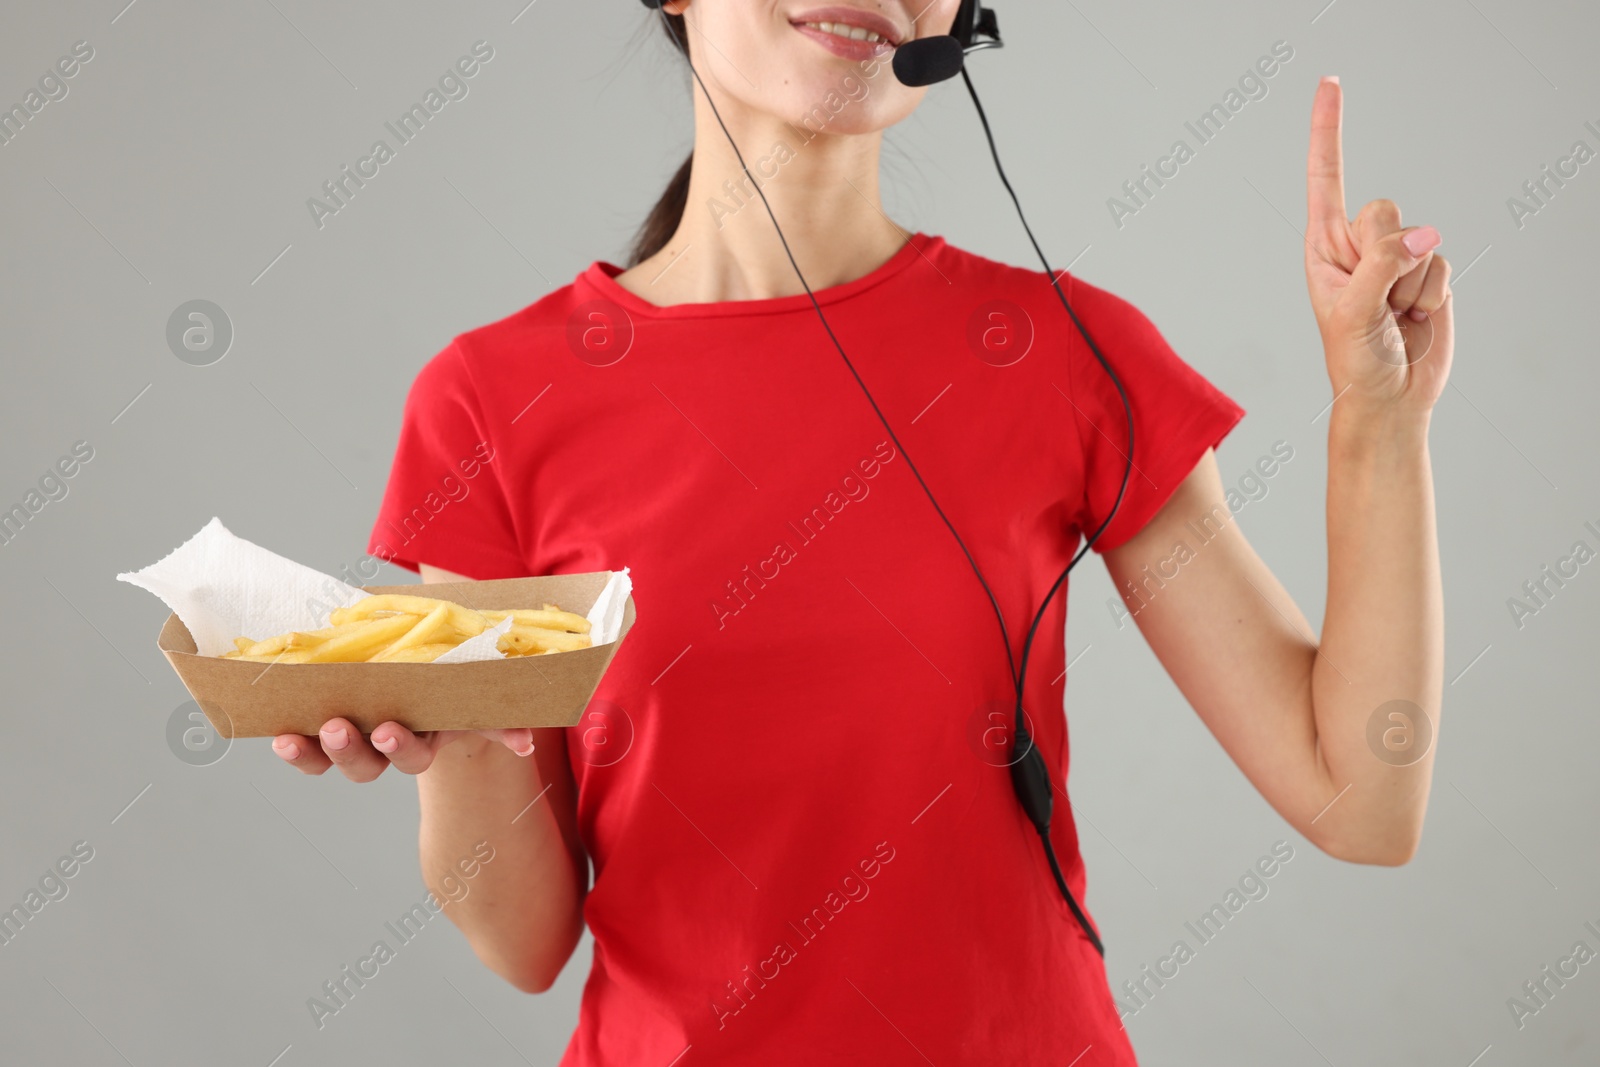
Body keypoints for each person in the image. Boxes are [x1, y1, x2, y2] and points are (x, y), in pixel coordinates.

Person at [271, 2, 1453, 1063]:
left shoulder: (1062, 356)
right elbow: (522, 941)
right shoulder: (491, 399)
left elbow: (1357, 796)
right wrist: (461, 740)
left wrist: (1377, 423)